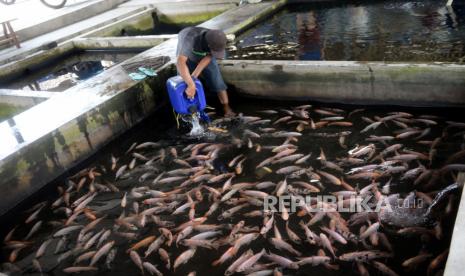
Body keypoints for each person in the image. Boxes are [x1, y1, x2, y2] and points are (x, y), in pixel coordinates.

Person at [176, 27, 235, 117]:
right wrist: (191, 84)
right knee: (183, 83)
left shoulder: (217, 38)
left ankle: (226, 107)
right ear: (208, 45)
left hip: (204, 55)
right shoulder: (189, 39)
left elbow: (209, 56)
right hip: (187, 57)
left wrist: (194, 76)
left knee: (217, 80)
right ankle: (187, 113)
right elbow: (180, 62)